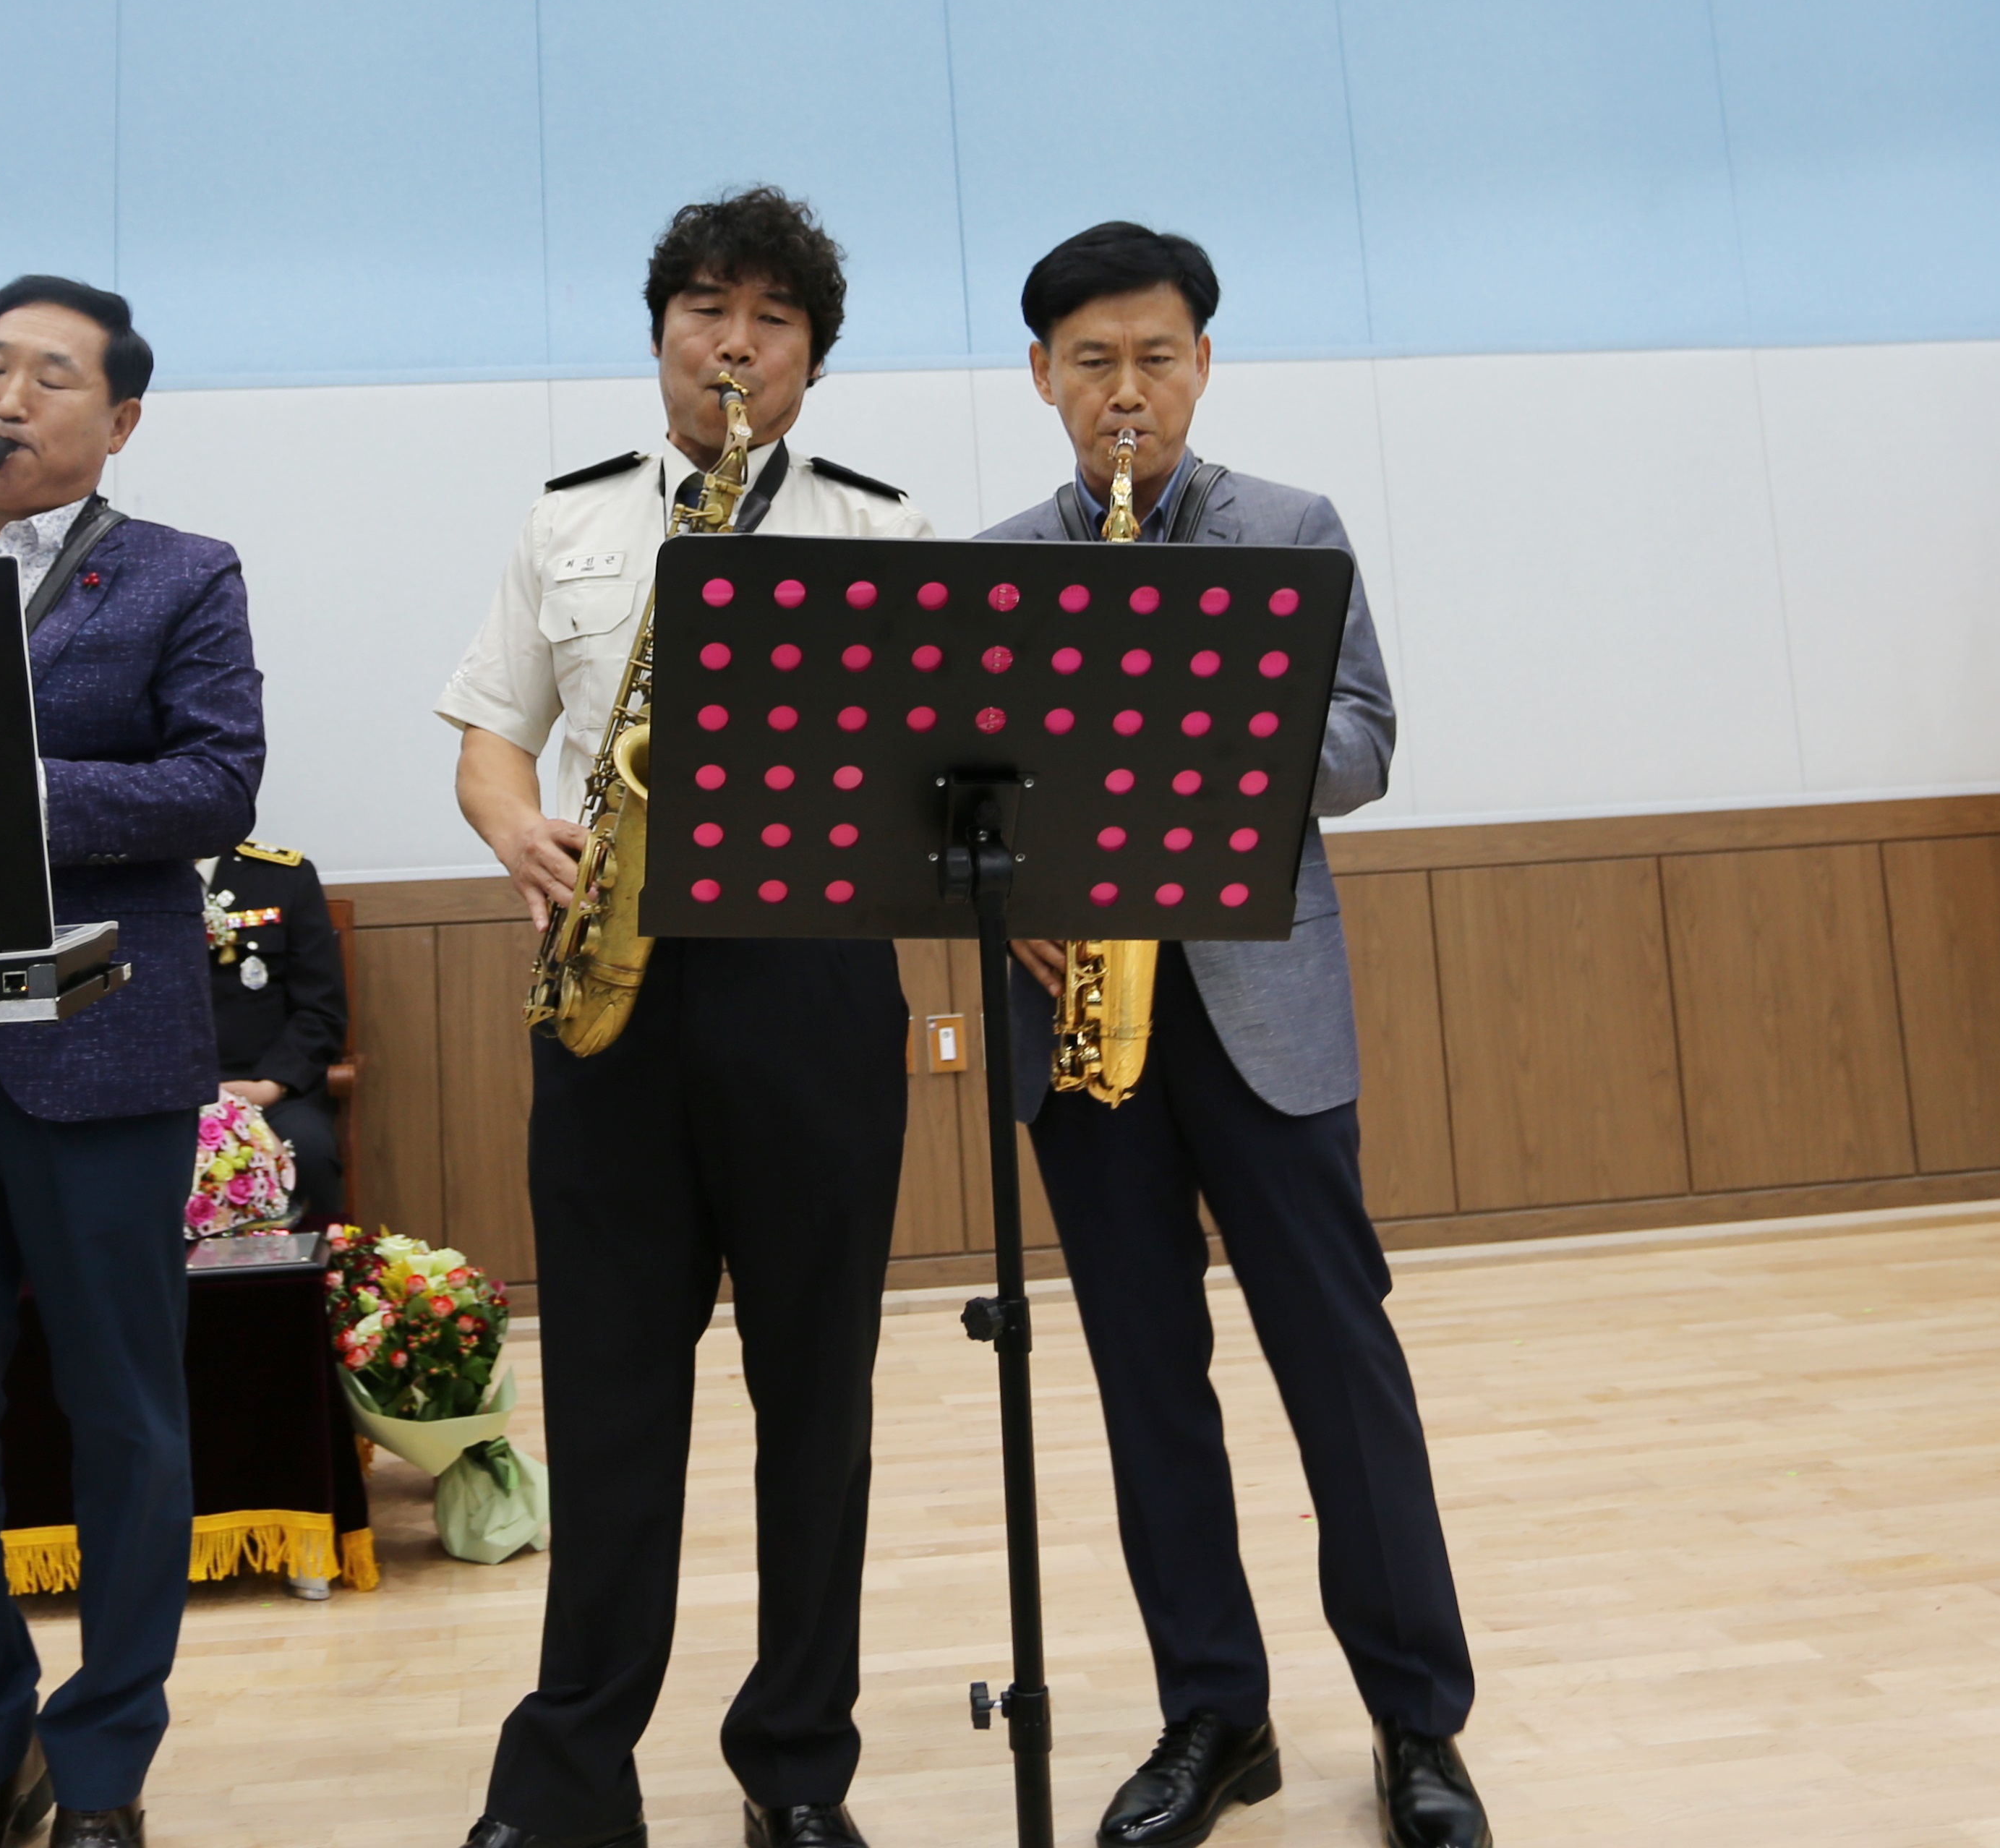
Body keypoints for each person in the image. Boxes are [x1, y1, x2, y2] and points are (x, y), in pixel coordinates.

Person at [978, 224, 1492, 1848]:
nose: (1125, 389)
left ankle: (1419, 1722)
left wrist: (1200, 750)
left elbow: (1364, 742)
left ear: (1202, 362)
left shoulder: (1289, 528)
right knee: (1147, 1382)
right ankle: (1216, 1710)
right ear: (1043, 376)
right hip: (1084, 1019)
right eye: (1092, 361)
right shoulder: (996, 565)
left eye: (1156, 356)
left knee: (1341, 1366)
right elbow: (957, 797)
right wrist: (1012, 894)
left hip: (1263, 1006)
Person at [436, 188, 929, 1848]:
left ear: (812, 360)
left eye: (772, 319)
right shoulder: (568, 519)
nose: (735, 342)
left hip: (813, 984)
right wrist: (514, 827)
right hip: (611, 996)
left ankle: (796, 1770)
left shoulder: (881, 524)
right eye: (706, 309)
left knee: (818, 1401)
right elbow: (492, 734)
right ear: (658, 336)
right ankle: (572, 1776)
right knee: (607, 1398)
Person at [0, 275, 265, 1848]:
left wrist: (7, 790)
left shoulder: (183, 573)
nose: (6, 398)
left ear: (120, 420)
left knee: (127, 1422)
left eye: (49, 375)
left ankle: (103, 1769)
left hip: (105, 1049)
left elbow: (217, 784)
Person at [199, 835, 349, 1220]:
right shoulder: (125, 882)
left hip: (267, 1088)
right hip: (161, 1098)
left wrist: (273, 1085)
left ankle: (316, 1260)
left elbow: (321, 1008)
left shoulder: (283, 877)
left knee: (309, 1151)